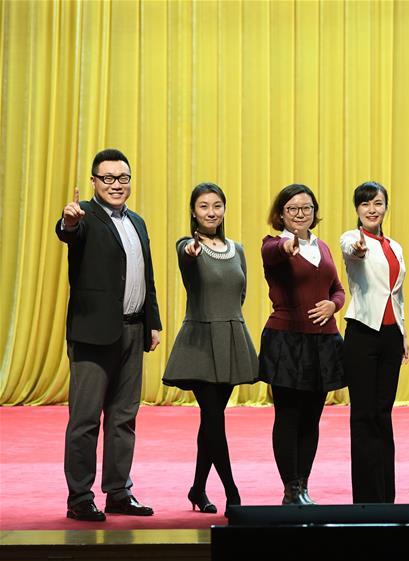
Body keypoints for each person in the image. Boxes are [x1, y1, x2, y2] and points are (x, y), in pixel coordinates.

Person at [55, 148, 162, 521]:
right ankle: (80, 497)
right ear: (94, 181)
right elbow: (70, 232)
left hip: (133, 330)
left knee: (123, 417)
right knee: (85, 419)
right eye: (109, 178)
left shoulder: (138, 222)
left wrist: (153, 322)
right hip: (93, 334)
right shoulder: (84, 216)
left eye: (123, 178)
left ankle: (119, 492)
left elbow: (146, 277)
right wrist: (68, 221)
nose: (117, 185)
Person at [162, 183, 259, 514]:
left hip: (232, 339)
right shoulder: (187, 246)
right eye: (204, 207)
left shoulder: (237, 248)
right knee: (214, 418)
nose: (211, 212)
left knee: (211, 421)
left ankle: (197, 489)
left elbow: (240, 292)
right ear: (193, 212)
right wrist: (191, 253)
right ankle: (233, 492)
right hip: (201, 343)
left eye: (217, 205)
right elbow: (187, 262)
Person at [258, 184, 345, 505]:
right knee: (288, 416)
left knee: (312, 417)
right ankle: (290, 487)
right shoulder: (274, 244)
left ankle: (303, 485)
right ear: (281, 214)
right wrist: (287, 247)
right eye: (292, 209)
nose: (300, 214)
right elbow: (273, 254)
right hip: (287, 341)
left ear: (314, 211)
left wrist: (333, 305)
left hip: (324, 343)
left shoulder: (322, 246)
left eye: (306, 208)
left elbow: (337, 288)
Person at [340, 182, 409, 503]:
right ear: (357, 209)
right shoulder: (351, 239)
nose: (372, 209)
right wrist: (357, 249)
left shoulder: (395, 246)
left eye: (378, 203)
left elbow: (399, 295)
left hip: (391, 336)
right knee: (363, 414)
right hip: (362, 333)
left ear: (385, 207)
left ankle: (386, 493)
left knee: (384, 413)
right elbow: (350, 251)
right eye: (365, 204)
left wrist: (405, 335)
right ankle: (365, 495)